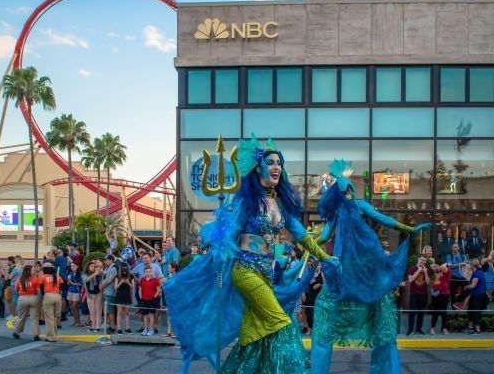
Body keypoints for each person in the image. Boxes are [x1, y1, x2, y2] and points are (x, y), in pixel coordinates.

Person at [165, 136, 335, 373]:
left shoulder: (282, 205)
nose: (277, 167)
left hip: (266, 273)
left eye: (279, 163)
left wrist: (325, 257)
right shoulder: (247, 202)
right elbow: (231, 233)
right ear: (258, 168)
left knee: (254, 334)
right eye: (271, 162)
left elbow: (303, 236)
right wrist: (221, 247)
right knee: (283, 323)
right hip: (245, 271)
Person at [311, 159, 430, 374]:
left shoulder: (360, 205)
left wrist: (409, 230)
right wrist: (306, 243)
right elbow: (325, 236)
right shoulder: (338, 212)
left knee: (383, 324)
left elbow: (384, 219)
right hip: (344, 272)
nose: (347, 193)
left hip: (366, 269)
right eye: (343, 190)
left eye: (349, 189)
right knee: (324, 320)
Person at [12, 265, 41, 341]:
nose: (34, 271)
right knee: (34, 318)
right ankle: (36, 335)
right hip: (33, 298)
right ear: (28, 271)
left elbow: (16, 290)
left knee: (21, 317)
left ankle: (17, 333)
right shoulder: (36, 279)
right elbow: (38, 291)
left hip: (22, 298)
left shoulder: (19, 280)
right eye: (33, 270)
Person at [407, 255, 430, 335]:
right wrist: (418, 271)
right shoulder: (412, 268)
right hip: (414, 294)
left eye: (424, 261)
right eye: (421, 260)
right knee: (412, 312)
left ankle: (418, 329)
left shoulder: (426, 270)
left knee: (421, 312)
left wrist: (426, 272)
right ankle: (410, 330)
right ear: (418, 259)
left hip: (423, 294)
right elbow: (410, 280)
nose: (422, 262)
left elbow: (427, 282)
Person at [463, 258, 486, 335]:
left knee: (475, 311)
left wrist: (466, 287)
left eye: (470, 264)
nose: (469, 265)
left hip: (478, 294)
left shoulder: (477, 273)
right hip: (475, 294)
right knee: (470, 310)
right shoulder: (476, 272)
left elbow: (473, 285)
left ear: (472, 265)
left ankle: (478, 330)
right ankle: (470, 328)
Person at [41, 263, 63, 342]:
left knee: (49, 317)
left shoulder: (43, 277)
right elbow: (63, 287)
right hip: (57, 296)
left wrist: (44, 296)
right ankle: (54, 334)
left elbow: (41, 288)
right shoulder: (58, 277)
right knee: (54, 317)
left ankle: (51, 337)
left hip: (48, 296)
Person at [429, 262, 451, 335]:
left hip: (444, 294)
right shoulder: (437, 271)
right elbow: (431, 266)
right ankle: (432, 328)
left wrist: (445, 264)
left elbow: (443, 267)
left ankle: (444, 328)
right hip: (435, 293)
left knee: (443, 312)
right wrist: (436, 267)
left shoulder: (448, 271)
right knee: (435, 311)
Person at [139, 267, 160, 336]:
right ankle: (145, 329)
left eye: (149, 271)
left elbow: (158, 290)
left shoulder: (155, 280)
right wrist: (141, 297)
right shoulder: (142, 280)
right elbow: (140, 289)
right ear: (144, 272)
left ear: (151, 272)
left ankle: (151, 330)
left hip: (152, 300)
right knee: (145, 315)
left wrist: (154, 297)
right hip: (144, 299)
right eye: (147, 271)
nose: (148, 273)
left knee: (151, 315)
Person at [114, 263, 135, 334]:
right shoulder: (117, 276)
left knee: (127, 313)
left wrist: (128, 282)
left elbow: (133, 287)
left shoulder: (130, 276)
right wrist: (121, 282)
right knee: (119, 313)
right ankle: (119, 329)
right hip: (119, 295)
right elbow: (115, 287)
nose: (124, 272)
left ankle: (127, 328)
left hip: (127, 295)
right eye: (123, 270)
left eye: (126, 270)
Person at [100, 254, 118, 333]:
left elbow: (110, 280)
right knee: (106, 310)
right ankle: (108, 324)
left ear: (111, 260)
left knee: (110, 310)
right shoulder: (107, 268)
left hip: (110, 292)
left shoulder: (114, 268)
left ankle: (112, 326)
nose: (105, 261)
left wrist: (102, 286)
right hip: (105, 291)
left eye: (106, 260)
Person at [84, 260, 103, 333]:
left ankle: (98, 326)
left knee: (98, 310)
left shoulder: (97, 273)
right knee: (92, 311)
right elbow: (86, 280)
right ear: (88, 267)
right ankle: (93, 326)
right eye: (91, 266)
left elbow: (103, 276)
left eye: (94, 266)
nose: (93, 267)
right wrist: (94, 274)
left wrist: (100, 272)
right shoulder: (85, 274)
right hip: (90, 294)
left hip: (98, 293)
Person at [67, 262, 84, 326]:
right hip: (70, 291)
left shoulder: (80, 274)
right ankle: (75, 321)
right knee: (72, 307)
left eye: (74, 266)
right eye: (71, 266)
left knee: (75, 306)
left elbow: (82, 284)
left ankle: (78, 322)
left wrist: (73, 283)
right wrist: (68, 280)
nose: (72, 267)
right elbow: (68, 284)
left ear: (77, 266)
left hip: (76, 291)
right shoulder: (70, 273)